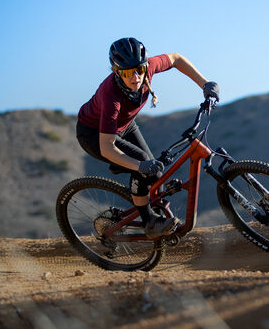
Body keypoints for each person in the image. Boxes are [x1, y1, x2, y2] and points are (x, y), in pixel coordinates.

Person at [76, 37, 220, 238]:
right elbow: (107, 147)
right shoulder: (111, 97)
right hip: (94, 134)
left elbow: (176, 59)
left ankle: (143, 202)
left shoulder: (148, 68)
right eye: (127, 72)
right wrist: (138, 166)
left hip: (125, 126)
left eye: (139, 70)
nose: (135, 77)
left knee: (155, 173)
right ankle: (149, 222)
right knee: (142, 164)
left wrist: (205, 84)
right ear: (117, 72)